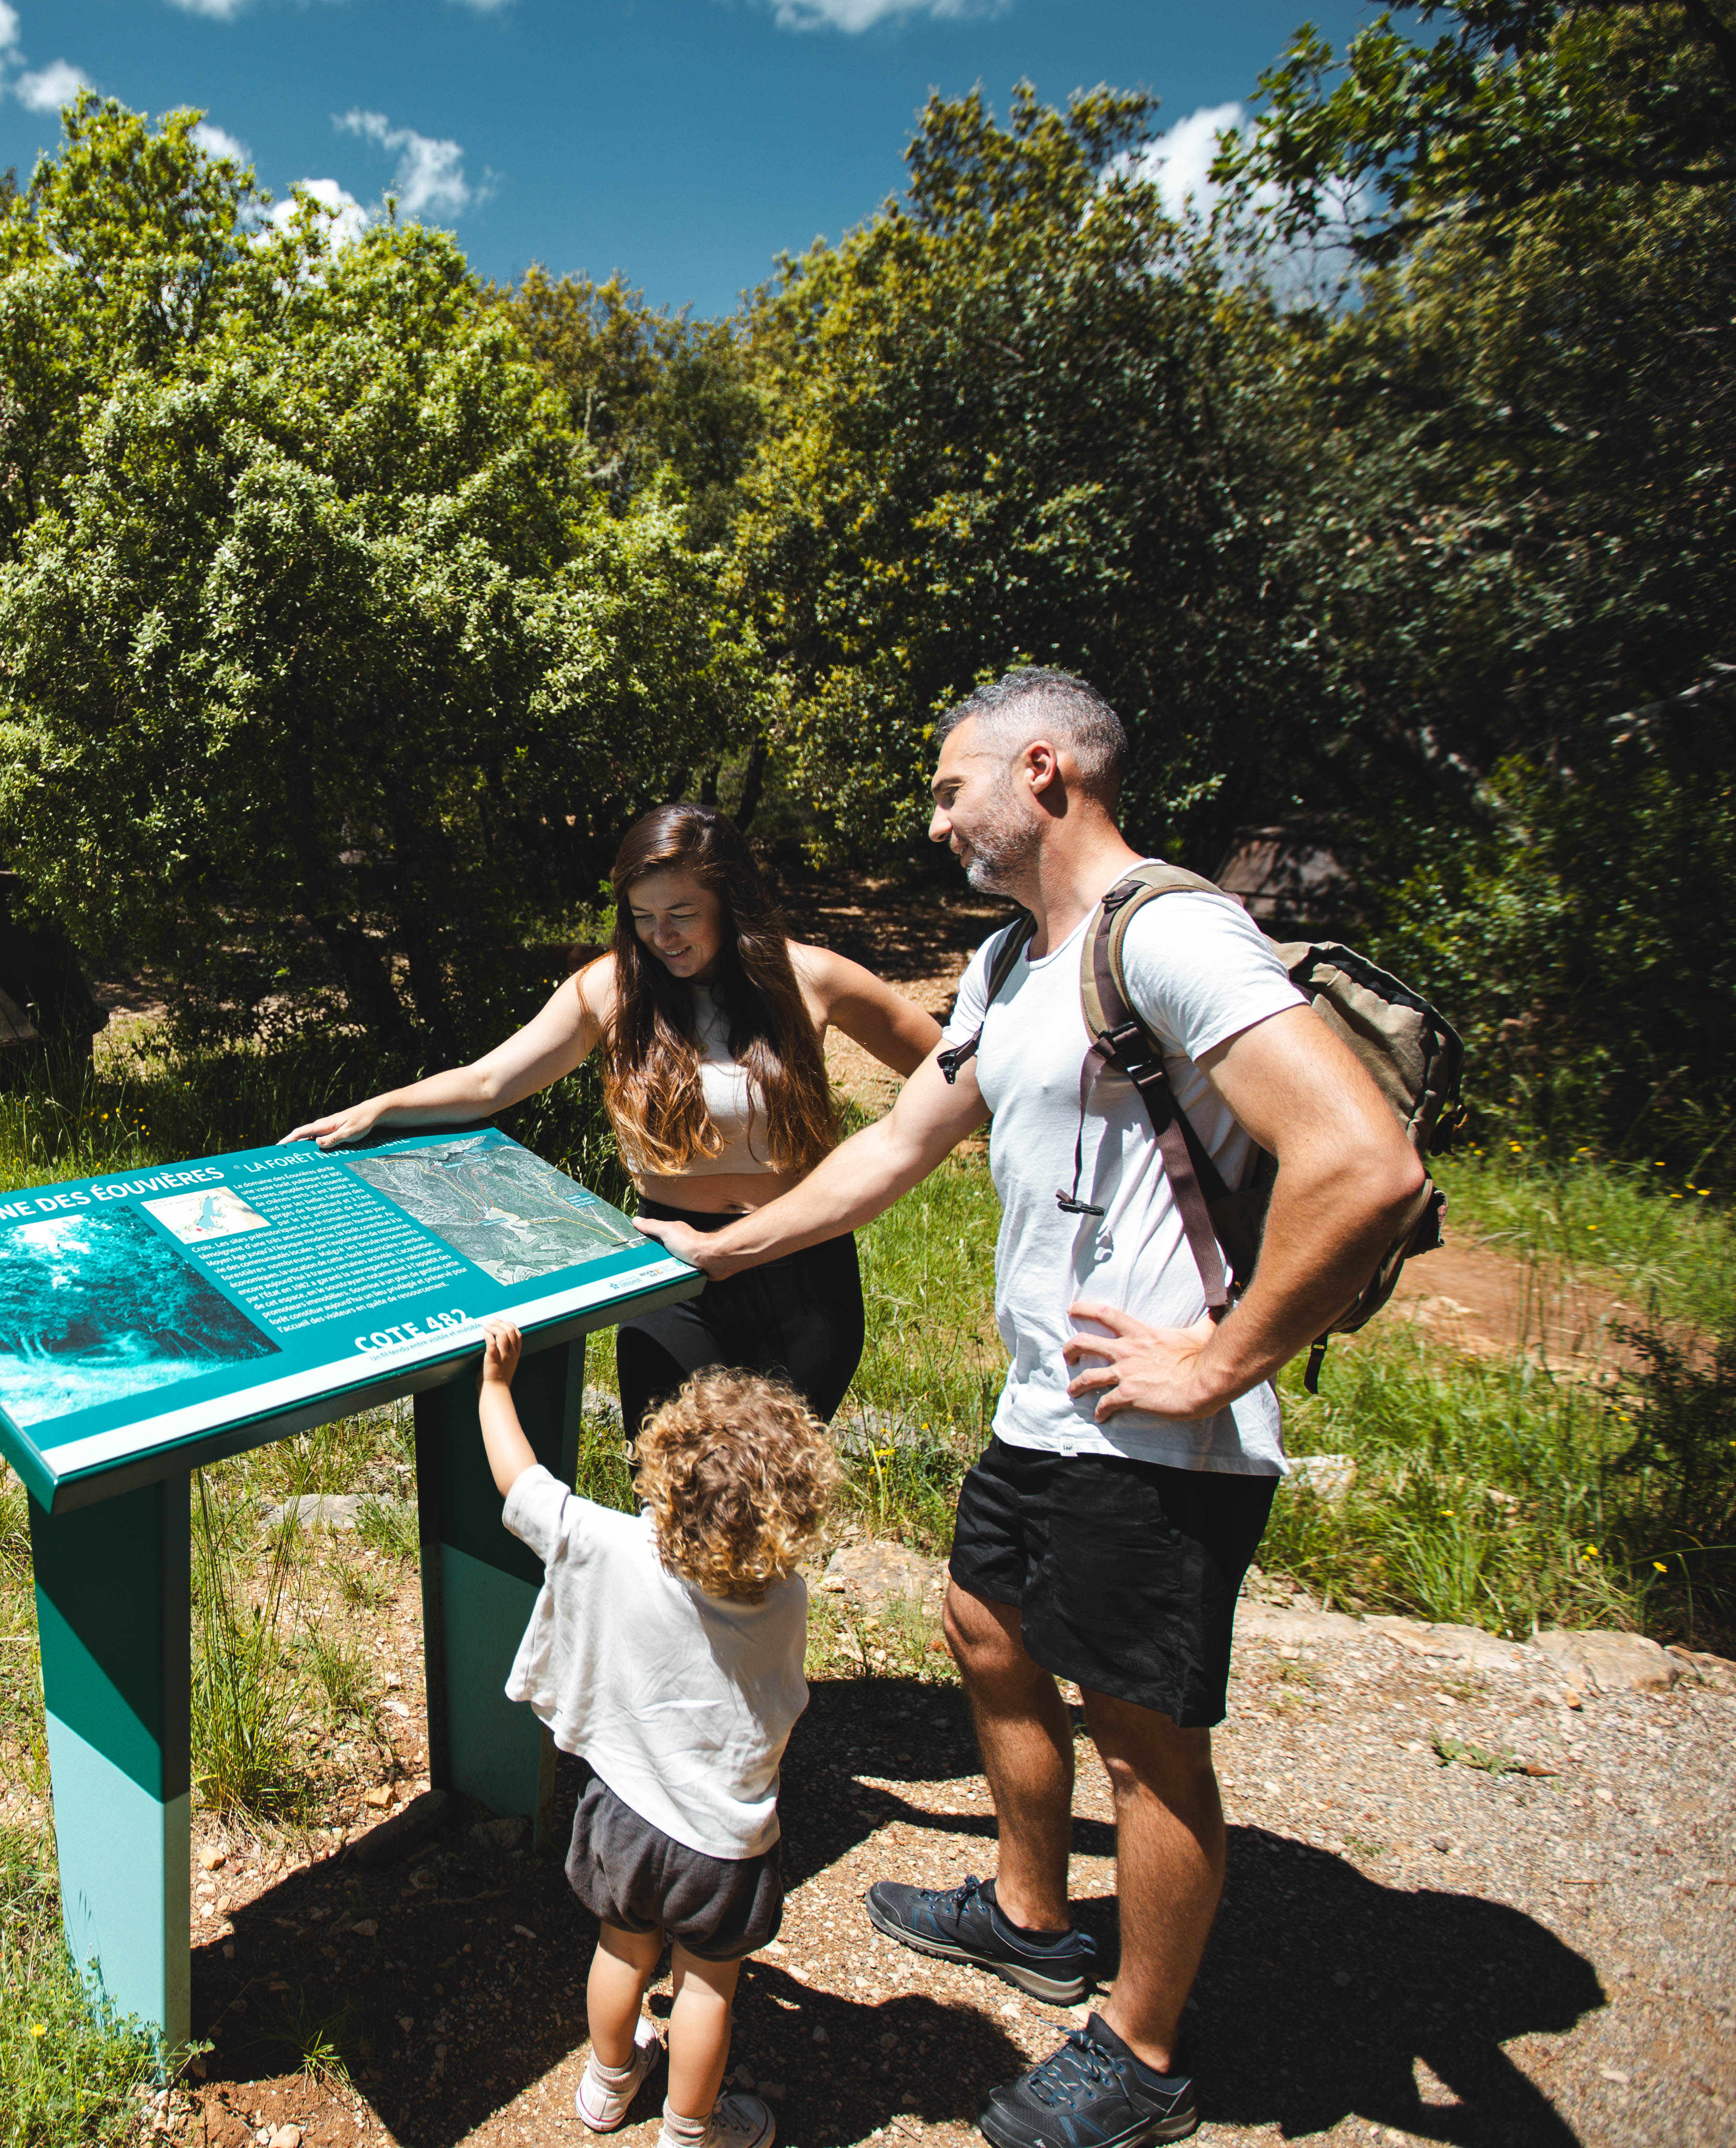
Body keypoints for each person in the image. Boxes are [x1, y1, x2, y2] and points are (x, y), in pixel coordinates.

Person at [635, 670, 1427, 2148]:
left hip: (1160, 1427)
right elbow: (898, 1145)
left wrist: (1219, 1362)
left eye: (951, 790)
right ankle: (1029, 1912)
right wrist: (716, 1249)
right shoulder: (1010, 963)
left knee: (1143, 1738)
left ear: (1045, 772)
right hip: (1044, 1401)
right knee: (985, 1629)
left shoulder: (1176, 935)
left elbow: (1365, 1164)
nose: (935, 819)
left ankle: (1142, 2054)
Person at [288, 803, 940, 1439]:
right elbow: (490, 1082)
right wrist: (380, 1107)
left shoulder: (811, 977)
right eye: (644, 916)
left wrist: (886, 1147)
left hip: (801, 1260)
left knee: (774, 1505)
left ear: (730, 900)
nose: (663, 936)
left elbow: (951, 1066)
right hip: (668, 1270)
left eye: (683, 913)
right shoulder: (611, 987)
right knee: (666, 1496)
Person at [472, 1317, 831, 2148]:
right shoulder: (784, 1600)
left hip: (625, 1817)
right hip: (723, 1842)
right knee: (707, 1989)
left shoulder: (613, 1547)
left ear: (663, 1467)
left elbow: (521, 1484)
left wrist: (496, 1388)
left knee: (621, 1954)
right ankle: (688, 2131)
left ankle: (606, 2085)